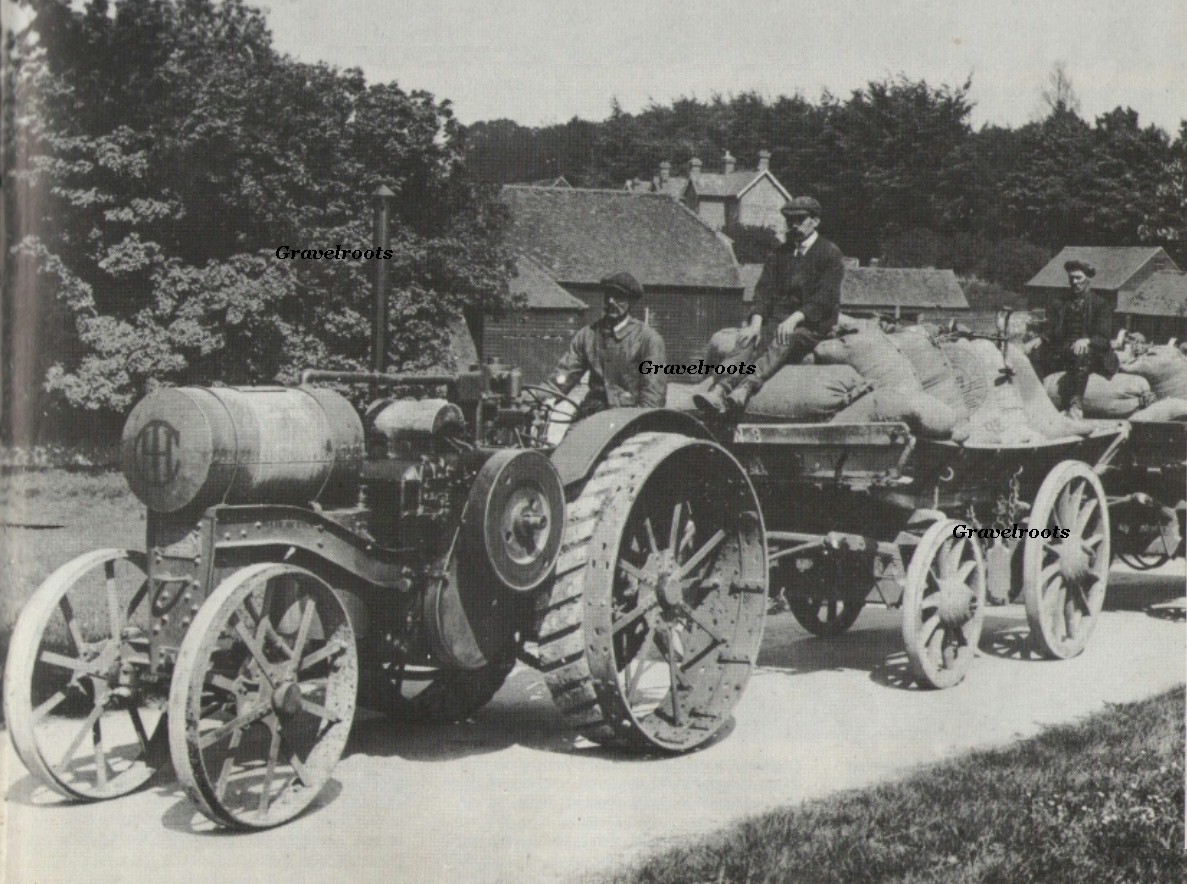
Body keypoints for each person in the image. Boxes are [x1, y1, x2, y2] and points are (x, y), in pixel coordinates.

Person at [694, 196, 845, 415]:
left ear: (815, 221)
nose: (793, 225)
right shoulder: (779, 253)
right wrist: (755, 324)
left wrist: (795, 319)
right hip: (777, 319)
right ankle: (721, 389)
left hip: (812, 324)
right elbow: (764, 291)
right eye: (789, 220)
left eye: (799, 219)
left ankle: (747, 386)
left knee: (785, 338)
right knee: (746, 339)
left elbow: (825, 298)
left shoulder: (830, 254)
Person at [544, 271, 666, 418]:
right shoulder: (588, 335)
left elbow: (652, 398)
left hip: (628, 416)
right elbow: (562, 378)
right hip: (593, 412)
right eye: (608, 295)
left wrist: (638, 423)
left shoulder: (648, 339)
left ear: (630, 302)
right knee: (571, 440)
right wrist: (538, 399)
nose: (611, 301)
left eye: (619, 297)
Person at [1026, 259, 1119, 419]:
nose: (1074, 282)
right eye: (1071, 279)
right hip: (1066, 351)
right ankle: (1037, 398)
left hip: (1094, 354)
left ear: (1088, 279)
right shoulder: (1061, 303)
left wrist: (1087, 340)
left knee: (1082, 354)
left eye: (1078, 278)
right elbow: (1053, 330)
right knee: (1036, 353)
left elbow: (1104, 338)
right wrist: (1040, 339)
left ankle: (1076, 406)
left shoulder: (1100, 304)